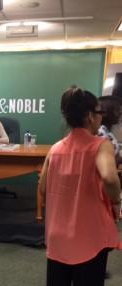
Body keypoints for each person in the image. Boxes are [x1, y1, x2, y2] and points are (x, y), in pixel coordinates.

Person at [38, 86, 121, 286]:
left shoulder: (55, 148)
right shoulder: (100, 145)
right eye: (99, 113)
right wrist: (116, 199)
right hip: (89, 237)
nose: (101, 117)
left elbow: (42, 188)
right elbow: (110, 178)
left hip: (58, 238)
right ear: (90, 116)